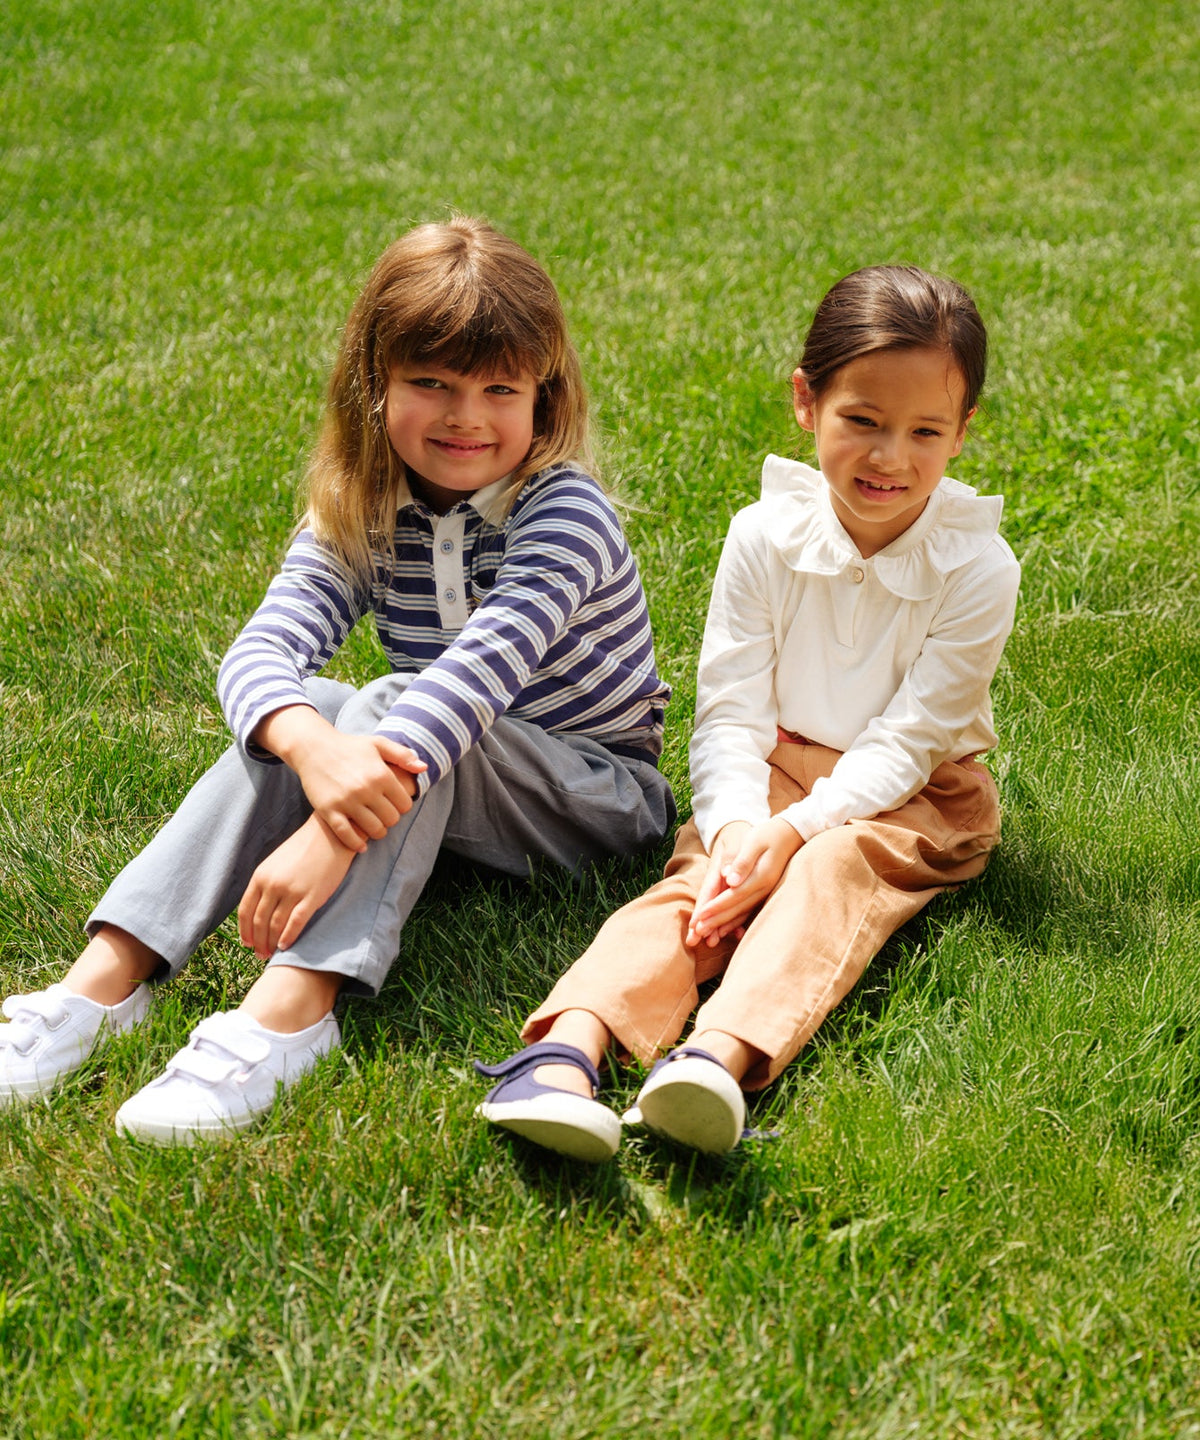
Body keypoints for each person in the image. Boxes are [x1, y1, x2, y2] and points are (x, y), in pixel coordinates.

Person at [0, 217, 674, 1143]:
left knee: (398, 700)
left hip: (594, 800)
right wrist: (309, 745)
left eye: (498, 390)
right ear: (375, 384)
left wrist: (327, 831)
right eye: (429, 384)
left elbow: (472, 681)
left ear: (544, 400)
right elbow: (258, 653)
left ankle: (293, 1009)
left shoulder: (565, 512)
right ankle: (102, 984)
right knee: (311, 706)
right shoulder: (366, 501)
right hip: (437, 775)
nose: (464, 417)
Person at [476, 264, 1021, 1162]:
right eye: (862, 421)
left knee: (826, 876)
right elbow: (730, 709)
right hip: (766, 772)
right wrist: (736, 828)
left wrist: (799, 831)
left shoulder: (978, 567)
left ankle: (713, 1061)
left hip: (913, 795)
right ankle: (567, 1049)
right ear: (807, 402)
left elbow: (915, 736)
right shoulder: (760, 536)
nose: (890, 456)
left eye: (926, 430)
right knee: (701, 883)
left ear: (963, 433)